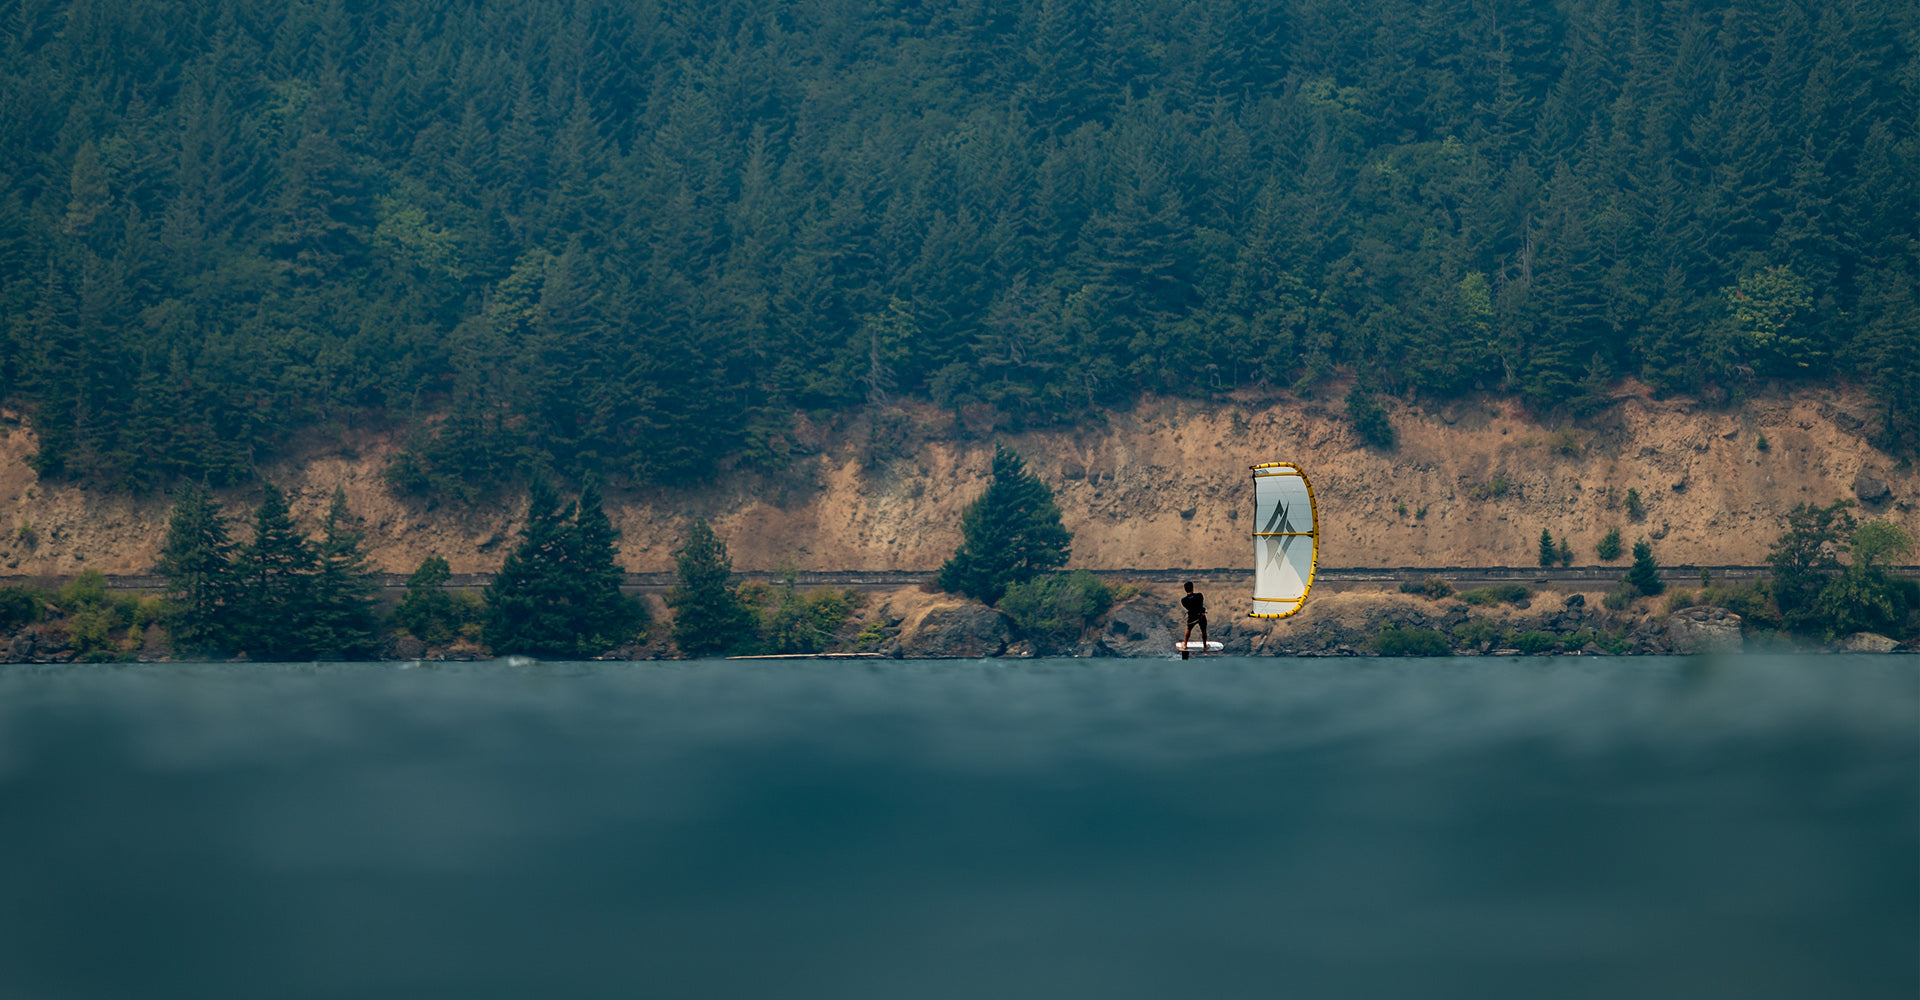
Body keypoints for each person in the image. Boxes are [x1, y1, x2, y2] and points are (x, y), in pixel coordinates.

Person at [1181, 581, 1208, 651]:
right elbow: (1201, 603)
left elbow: (1188, 607)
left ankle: (1185, 645)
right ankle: (1205, 646)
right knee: (1204, 631)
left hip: (1192, 617)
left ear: (1185, 590)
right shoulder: (1199, 595)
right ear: (1192, 588)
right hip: (1201, 616)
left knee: (1188, 629)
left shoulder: (1183, 600)